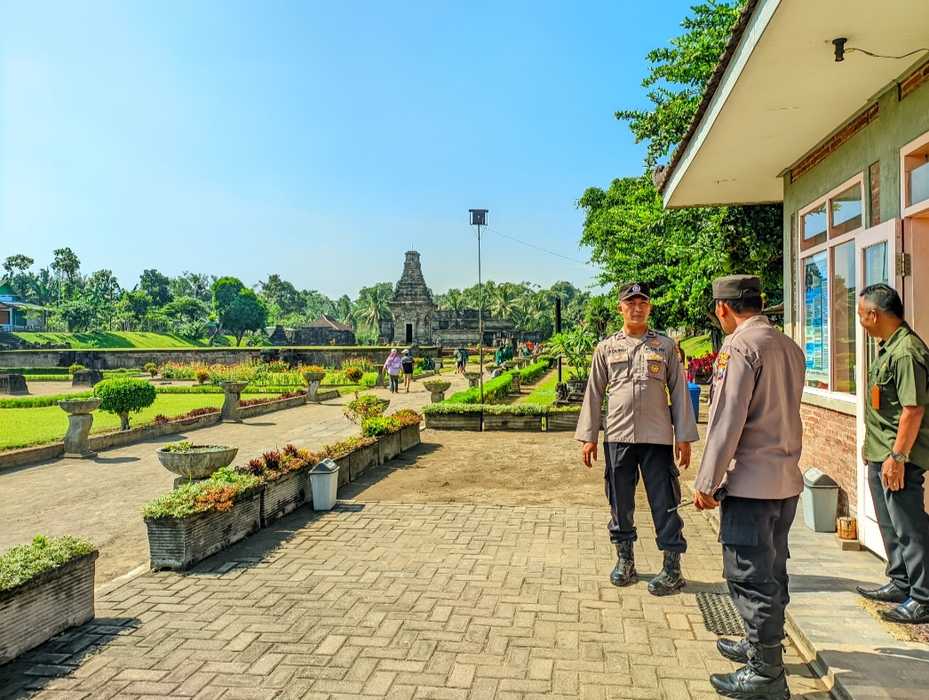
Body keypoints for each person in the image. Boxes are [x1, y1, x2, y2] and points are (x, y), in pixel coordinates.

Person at [693, 274, 805, 700]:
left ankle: (766, 673)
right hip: (785, 480)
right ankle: (760, 646)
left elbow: (727, 420)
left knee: (749, 577)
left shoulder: (739, 347)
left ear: (723, 308)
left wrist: (707, 481)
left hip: (751, 486)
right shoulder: (788, 346)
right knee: (772, 570)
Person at [576, 282, 698, 596]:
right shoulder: (606, 348)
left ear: (649, 307)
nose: (637, 308)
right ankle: (625, 561)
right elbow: (594, 392)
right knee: (620, 501)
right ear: (621, 308)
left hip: (657, 438)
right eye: (630, 303)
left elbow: (680, 393)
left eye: (642, 302)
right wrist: (589, 437)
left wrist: (683, 437)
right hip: (617, 436)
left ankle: (672, 568)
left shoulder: (665, 347)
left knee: (665, 501)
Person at [856, 283, 929, 624]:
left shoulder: (906, 352)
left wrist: (897, 457)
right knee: (890, 525)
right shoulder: (889, 347)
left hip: (899, 458)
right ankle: (901, 581)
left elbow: (913, 410)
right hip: (881, 452)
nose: (860, 321)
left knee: (909, 526)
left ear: (875, 314)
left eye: (861, 314)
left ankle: (923, 597)